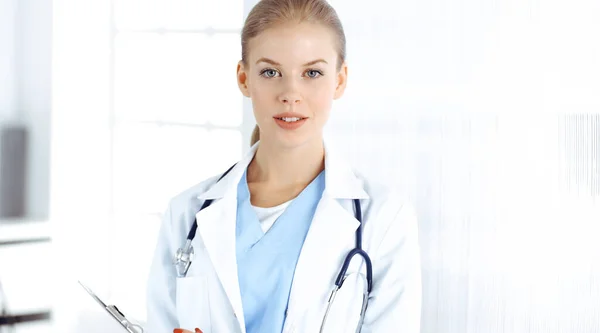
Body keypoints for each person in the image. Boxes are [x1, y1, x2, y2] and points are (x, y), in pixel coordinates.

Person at [146, 0, 422, 332]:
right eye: (271, 72)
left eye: (312, 73)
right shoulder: (185, 214)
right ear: (244, 78)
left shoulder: (385, 220)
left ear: (339, 80)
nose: (291, 93)